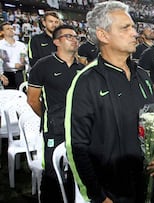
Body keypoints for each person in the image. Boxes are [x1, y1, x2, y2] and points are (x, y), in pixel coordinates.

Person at [65, 2, 154, 202]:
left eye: (133, 27)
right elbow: (76, 146)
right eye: (125, 28)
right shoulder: (86, 82)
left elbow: (151, 124)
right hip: (111, 192)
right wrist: (98, 196)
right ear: (103, 35)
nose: (135, 33)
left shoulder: (143, 76)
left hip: (145, 184)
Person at [27, 24, 84, 203]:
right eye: (69, 36)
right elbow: (32, 99)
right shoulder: (43, 66)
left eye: (76, 36)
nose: (74, 39)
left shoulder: (82, 68)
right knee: (53, 171)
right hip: (54, 128)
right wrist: (48, 118)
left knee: (78, 170)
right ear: (57, 41)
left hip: (79, 128)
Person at [0, 22, 28, 89]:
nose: (11, 30)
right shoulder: (0, 45)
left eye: (12, 28)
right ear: (2, 32)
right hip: (6, 74)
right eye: (8, 29)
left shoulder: (21, 45)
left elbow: (25, 58)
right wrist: (13, 65)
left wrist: (24, 64)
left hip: (21, 74)